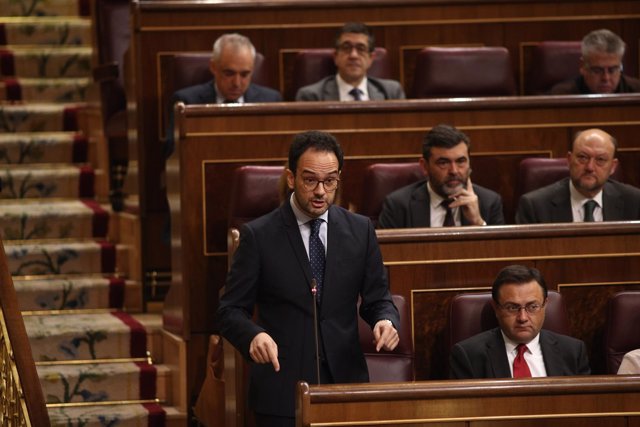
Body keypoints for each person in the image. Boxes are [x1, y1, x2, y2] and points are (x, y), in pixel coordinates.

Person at [217, 130, 400, 426]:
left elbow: (378, 299)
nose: (320, 191)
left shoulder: (360, 230)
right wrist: (253, 335)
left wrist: (385, 321)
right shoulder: (258, 236)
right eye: (310, 180)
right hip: (282, 392)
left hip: (345, 386)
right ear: (291, 178)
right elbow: (229, 311)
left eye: (330, 181)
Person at [450, 264, 591, 379]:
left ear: (545, 305)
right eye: (512, 307)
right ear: (496, 308)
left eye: (532, 307)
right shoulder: (469, 356)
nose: (523, 318)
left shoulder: (573, 352)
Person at [166, 33, 282, 156]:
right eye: (229, 73)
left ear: (252, 70)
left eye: (244, 74)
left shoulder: (271, 100)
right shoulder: (186, 102)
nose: (237, 83)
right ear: (213, 67)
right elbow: (172, 152)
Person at [377, 124, 504, 229]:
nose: (454, 171)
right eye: (443, 163)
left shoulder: (489, 202)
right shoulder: (398, 205)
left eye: (461, 161)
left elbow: (502, 255)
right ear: (424, 166)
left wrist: (478, 222)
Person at [516, 128, 640, 223]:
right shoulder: (535, 206)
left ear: (613, 166)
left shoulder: (634, 202)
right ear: (569, 160)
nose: (590, 167)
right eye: (583, 157)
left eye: (600, 159)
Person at [295, 22, 405, 101]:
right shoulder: (311, 96)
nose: (353, 55)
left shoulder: (391, 93)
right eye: (346, 48)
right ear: (335, 56)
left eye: (361, 48)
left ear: (371, 58)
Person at [550, 29, 640, 94]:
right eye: (597, 70)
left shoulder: (636, 92)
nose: (606, 78)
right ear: (583, 66)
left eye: (612, 70)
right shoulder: (561, 96)